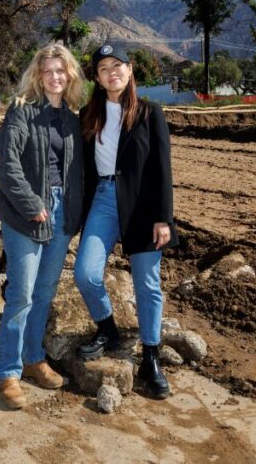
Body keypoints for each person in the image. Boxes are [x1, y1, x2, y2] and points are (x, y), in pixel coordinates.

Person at [74, 44, 176, 399]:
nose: (111, 72)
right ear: (98, 79)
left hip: (142, 206)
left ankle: (151, 356)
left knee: (147, 284)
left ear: (130, 71)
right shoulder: (89, 114)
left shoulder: (150, 113)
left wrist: (163, 217)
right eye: (103, 68)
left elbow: (162, 168)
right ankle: (108, 329)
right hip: (103, 201)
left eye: (117, 65)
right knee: (85, 273)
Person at [0, 43, 86, 409]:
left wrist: (73, 212)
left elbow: (78, 171)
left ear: (70, 75)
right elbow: (6, 165)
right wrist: (32, 204)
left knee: (44, 293)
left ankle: (34, 359)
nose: (55, 77)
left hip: (61, 215)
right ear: (37, 74)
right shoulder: (21, 112)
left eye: (61, 71)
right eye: (48, 71)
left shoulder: (74, 118)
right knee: (21, 295)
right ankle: (8, 372)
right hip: (25, 213)